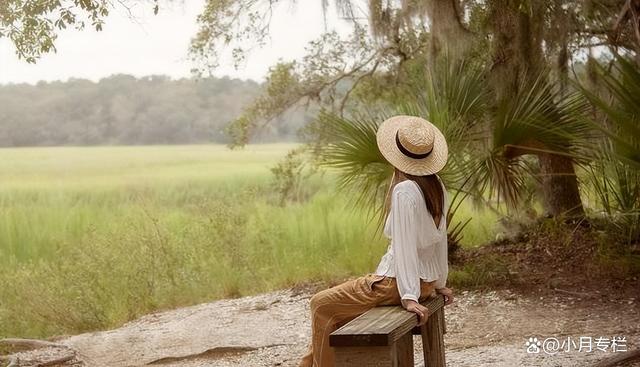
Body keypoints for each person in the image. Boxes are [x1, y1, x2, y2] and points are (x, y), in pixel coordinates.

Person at [298, 115, 455, 367]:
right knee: (332, 312)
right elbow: (439, 243)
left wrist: (409, 296)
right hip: (423, 283)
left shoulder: (405, 191)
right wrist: (438, 282)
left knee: (320, 304)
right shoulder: (437, 186)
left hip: (395, 283)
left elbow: (404, 248)